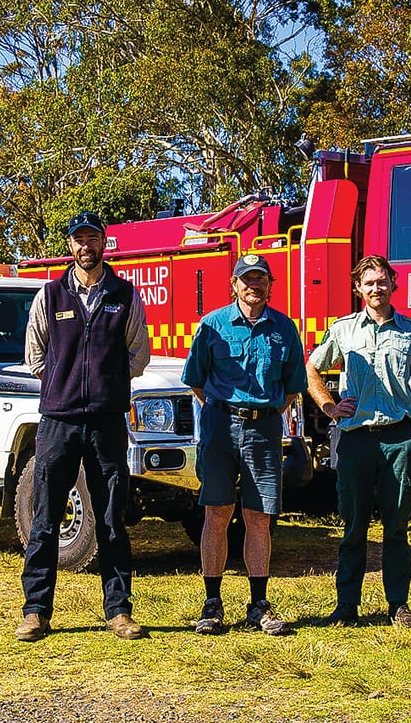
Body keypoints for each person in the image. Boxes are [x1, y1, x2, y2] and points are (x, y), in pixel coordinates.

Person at [16, 211, 153, 642]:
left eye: (92, 238)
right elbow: (35, 356)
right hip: (58, 421)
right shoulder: (50, 295)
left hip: (107, 422)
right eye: (78, 240)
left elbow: (139, 355)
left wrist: (107, 385)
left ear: (104, 243)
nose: (85, 246)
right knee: (44, 518)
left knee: (111, 519)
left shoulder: (125, 296)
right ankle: (36, 611)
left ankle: (118, 611)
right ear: (70, 246)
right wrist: (62, 383)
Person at [304, 255, 411, 627]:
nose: (376, 288)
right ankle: (347, 605)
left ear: (393, 284)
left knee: (396, 526)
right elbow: (312, 367)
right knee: (353, 527)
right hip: (356, 440)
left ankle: (398, 604)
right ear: (357, 289)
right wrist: (329, 407)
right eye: (369, 283)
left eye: (382, 281)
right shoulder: (343, 330)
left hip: (398, 439)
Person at [182, 253, 308, 636]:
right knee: (216, 514)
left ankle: (258, 604)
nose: (253, 285)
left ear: (271, 285)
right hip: (221, 427)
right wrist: (226, 412)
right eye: (246, 279)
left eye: (260, 279)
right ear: (233, 285)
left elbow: (292, 387)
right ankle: (212, 602)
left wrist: (260, 414)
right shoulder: (212, 326)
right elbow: (196, 380)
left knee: (259, 518)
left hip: (265, 431)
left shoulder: (284, 330)